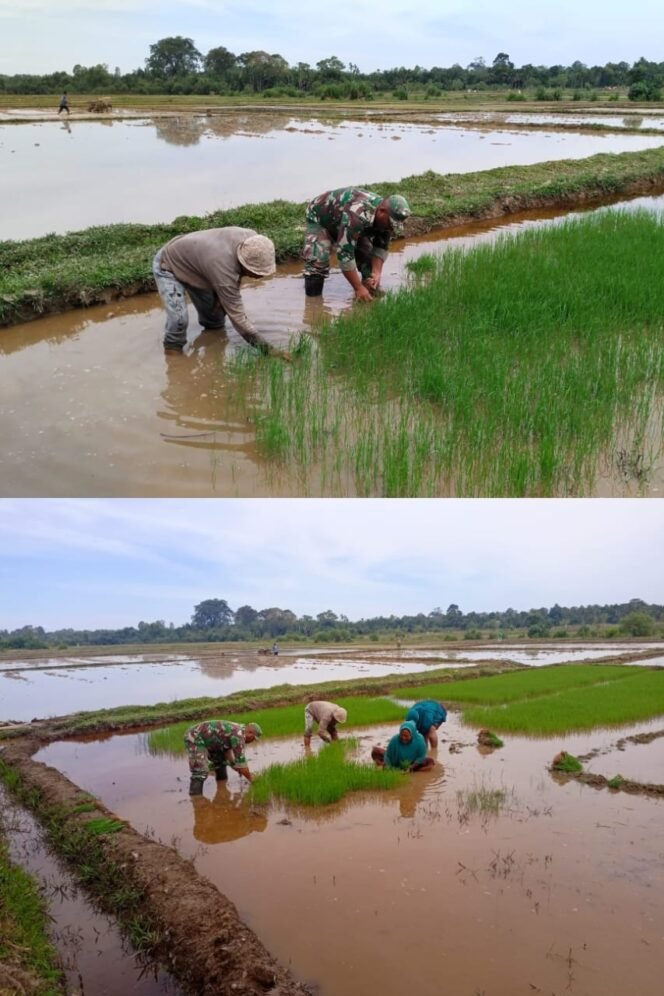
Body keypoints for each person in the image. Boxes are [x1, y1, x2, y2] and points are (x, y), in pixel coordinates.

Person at [152, 227, 276, 353]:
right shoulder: (223, 266)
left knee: (215, 318)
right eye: (256, 272)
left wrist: (221, 297)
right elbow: (238, 319)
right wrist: (268, 350)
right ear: (243, 263)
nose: (259, 277)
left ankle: (212, 348)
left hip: (199, 264)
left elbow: (235, 273)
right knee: (178, 320)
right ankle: (172, 352)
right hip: (169, 263)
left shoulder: (253, 241)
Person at [302, 187, 411, 299]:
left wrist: (376, 273)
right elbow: (344, 253)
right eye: (390, 223)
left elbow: (381, 246)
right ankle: (313, 303)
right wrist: (357, 287)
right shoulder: (357, 214)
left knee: (367, 259)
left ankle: (368, 292)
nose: (391, 228)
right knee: (317, 263)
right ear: (382, 211)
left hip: (347, 222)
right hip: (320, 218)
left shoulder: (386, 219)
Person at [184, 718, 262, 794]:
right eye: (253, 738)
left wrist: (235, 766)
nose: (252, 741)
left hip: (212, 742)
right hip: (195, 736)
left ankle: (221, 789)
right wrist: (252, 779)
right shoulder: (239, 736)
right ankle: (196, 798)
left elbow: (227, 752)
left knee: (221, 762)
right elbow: (242, 765)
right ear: (250, 732)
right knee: (200, 772)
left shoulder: (240, 730)